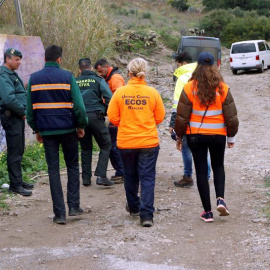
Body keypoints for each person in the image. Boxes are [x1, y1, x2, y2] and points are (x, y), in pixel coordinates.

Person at [174, 51, 239, 223]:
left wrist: (179, 136)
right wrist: (231, 137)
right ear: (214, 67)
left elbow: (182, 116)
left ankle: (207, 212)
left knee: (201, 171)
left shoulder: (189, 88)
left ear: (198, 67)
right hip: (218, 135)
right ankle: (221, 200)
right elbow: (231, 116)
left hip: (196, 136)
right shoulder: (223, 88)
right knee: (218, 166)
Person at [26, 45, 88, 224]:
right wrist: (81, 125)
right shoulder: (67, 76)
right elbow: (79, 106)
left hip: (47, 131)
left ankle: (59, 214)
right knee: (72, 166)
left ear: (44, 59)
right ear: (59, 59)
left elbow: (29, 108)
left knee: (53, 170)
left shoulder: (34, 79)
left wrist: (36, 129)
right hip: (68, 129)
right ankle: (74, 206)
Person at [107, 58, 165, 227]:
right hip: (148, 142)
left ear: (128, 73)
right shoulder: (152, 92)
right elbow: (160, 117)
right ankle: (146, 215)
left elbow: (113, 117)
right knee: (147, 178)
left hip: (126, 142)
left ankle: (133, 207)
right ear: (144, 73)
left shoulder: (120, 93)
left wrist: (125, 123)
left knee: (130, 176)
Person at [0, 48, 33, 196]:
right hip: (12, 117)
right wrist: (22, 112)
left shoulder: (11, 74)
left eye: (20, 59)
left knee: (19, 150)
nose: (19, 62)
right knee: (14, 151)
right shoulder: (3, 75)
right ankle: (15, 185)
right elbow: (8, 99)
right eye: (16, 59)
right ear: (8, 59)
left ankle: (18, 181)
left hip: (17, 117)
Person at [76, 58, 114, 187]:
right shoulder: (98, 80)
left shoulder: (75, 82)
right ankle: (101, 175)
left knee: (85, 147)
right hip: (96, 117)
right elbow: (110, 98)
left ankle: (86, 178)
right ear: (91, 68)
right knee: (106, 144)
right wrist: (105, 111)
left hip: (80, 119)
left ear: (79, 70)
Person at [169, 51, 198, 188]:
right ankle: (207, 175)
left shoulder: (183, 78)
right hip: (204, 120)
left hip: (187, 119)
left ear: (184, 63)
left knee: (186, 148)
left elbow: (177, 104)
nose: (177, 67)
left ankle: (187, 176)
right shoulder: (204, 75)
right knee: (204, 150)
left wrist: (172, 124)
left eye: (178, 64)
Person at [94, 59, 125, 184]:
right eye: (98, 72)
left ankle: (121, 173)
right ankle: (121, 171)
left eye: (101, 71)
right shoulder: (109, 78)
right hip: (115, 117)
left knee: (112, 146)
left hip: (117, 118)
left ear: (107, 66)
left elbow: (119, 97)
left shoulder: (115, 78)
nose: (100, 74)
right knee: (112, 145)